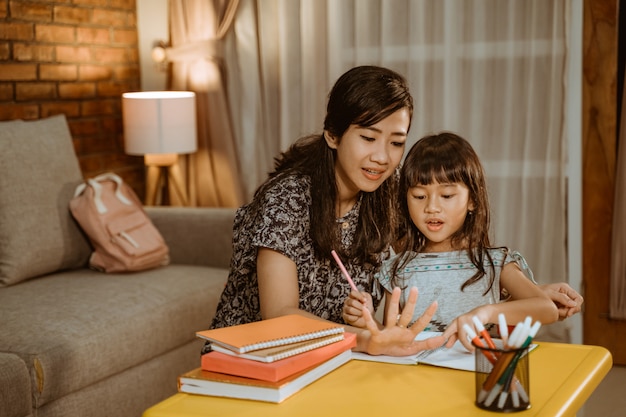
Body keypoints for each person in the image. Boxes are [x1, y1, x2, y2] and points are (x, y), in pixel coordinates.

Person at [208, 65, 582, 356]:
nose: (382, 157)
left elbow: (434, 252)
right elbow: (279, 315)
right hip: (262, 354)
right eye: (368, 138)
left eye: (396, 142)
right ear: (334, 135)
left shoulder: (388, 190)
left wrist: (512, 288)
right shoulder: (286, 199)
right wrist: (363, 340)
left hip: (344, 352)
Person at [343, 132, 560, 351]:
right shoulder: (398, 269)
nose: (431, 208)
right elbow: (394, 338)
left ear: (472, 200)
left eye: (446, 196)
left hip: (475, 377)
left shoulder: (496, 263)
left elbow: (546, 309)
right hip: (416, 379)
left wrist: (485, 312)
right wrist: (368, 321)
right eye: (419, 196)